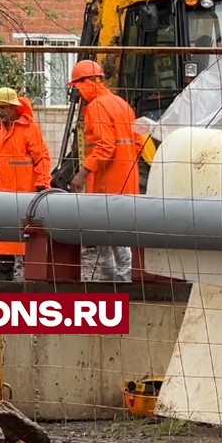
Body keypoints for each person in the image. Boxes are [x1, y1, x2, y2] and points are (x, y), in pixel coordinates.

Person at [67, 59, 140, 283]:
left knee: (108, 231)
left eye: (77, 88)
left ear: (86, 83)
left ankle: (115, 280)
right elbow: (137, 141)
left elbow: (105, 146)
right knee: (120, 231)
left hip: (107, 181)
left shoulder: (97, 107)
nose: (77, 94)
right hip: (127, 179)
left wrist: (82, 173)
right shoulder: (121, 103)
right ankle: (118, 277)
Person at [0, 86, 51, 281]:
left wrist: (42, 185)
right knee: (2, 253)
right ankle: (4, 291)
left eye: (4, 107)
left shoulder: (30, 130)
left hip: (25, 200)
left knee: (29, 249)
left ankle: (33, 289)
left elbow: (42, 160)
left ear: (15, 107)